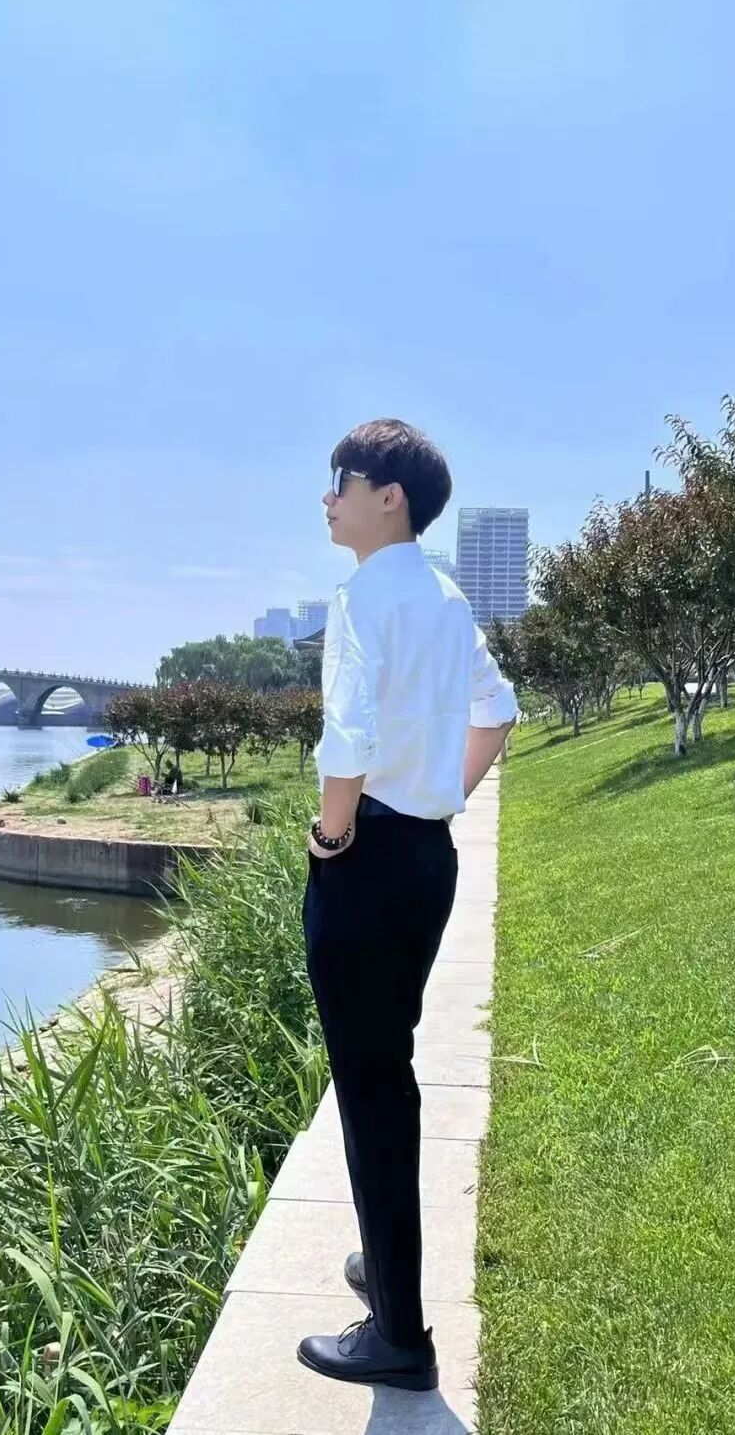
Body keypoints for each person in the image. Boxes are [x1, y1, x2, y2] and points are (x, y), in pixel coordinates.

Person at [296, 419, 518, 1391]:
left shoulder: (362, 597)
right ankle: (388, 1265)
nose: (328, 496)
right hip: (427, 856)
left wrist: (331, 837)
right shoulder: (446, 595)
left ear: (389, 497)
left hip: (368, 858)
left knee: (372, 1086)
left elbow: (345, 739)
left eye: (340, 479)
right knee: (388, 1071)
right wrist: (442, 797)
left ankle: (399, 1334)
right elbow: (498, 711)